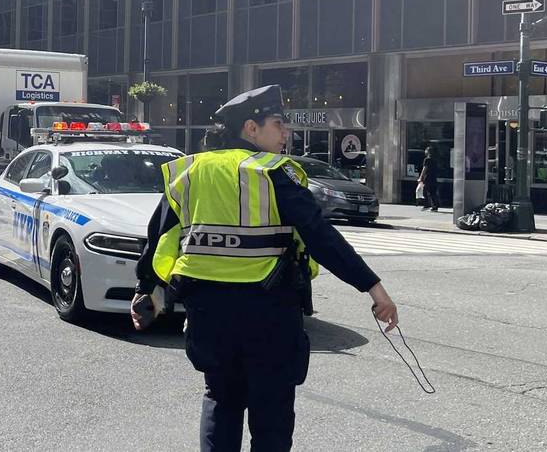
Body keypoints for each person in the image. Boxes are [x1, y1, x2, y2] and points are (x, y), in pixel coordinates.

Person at [131, 85, 398, 451]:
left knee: (220, 401)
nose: (286, 133)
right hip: (269, 312)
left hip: (208, 311)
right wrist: (373, 287)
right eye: (277, 124)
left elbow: (158, 233)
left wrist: (146, 290)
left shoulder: (190, 171)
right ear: (251, 129)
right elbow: (320, 235)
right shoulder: (273, 172)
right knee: (271, 416)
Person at [417, 146, 441, 212]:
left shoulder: (427, 160)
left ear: (428, 152)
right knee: (433, 192)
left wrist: (420, 178)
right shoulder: (435, 160)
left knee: (425, 191)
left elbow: (424, 169)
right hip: (433, 177)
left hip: (427, 177)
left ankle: (427, 205)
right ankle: (435, 206)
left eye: (426, 151)